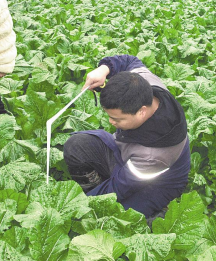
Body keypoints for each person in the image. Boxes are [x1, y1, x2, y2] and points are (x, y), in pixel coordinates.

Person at [63, 55, 190, 219]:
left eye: (117, 119)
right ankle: (94, 187)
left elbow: (117, 189)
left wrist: (76, 206)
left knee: (110, 217)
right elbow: (130, 61)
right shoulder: (144, 83)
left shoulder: (153, 155)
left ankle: (157, 216)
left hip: (158, 182)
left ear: (141, 111)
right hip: (127, 153)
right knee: (77, 146)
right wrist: (104, 69)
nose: (110, 122)